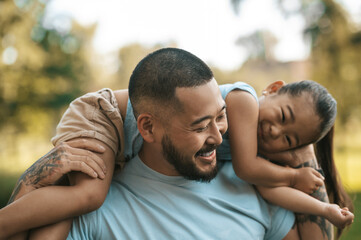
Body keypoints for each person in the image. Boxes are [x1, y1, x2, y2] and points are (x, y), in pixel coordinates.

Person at [0, 48, 353, 239]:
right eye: (201, 125)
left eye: (290, 139)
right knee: (85, 195)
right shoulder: (243, 104)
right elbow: (249, 167)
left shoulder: (256, 188)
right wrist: (37, 175)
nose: (218, 136)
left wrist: (305, 157)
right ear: (272, 89)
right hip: (100, 114)